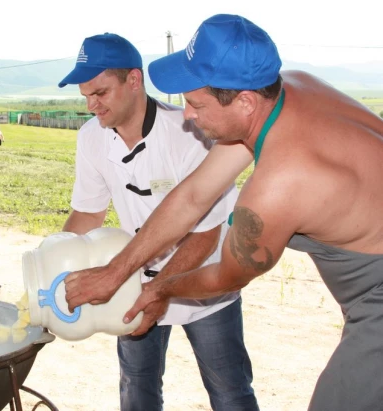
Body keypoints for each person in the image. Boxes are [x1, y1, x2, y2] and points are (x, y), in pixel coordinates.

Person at [64, 15, 383, 411]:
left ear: (245, 102)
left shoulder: (279, 184)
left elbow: (225, 276)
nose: (187, 116)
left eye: (196, 104)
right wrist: (116, 272)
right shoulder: (288, 92)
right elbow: (193, 196)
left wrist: (156, 289)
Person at [58, 33, 259, 411]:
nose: (90, 105)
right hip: (132, 281)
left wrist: (158, 290)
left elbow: (205, 236)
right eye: (85, 95)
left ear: (134, 80)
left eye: (100, 92)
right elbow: (88, 213)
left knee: (230, 391)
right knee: (137, 391)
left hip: (204, 283)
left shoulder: (190, 133)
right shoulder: (91, 138)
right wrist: (50, 261)